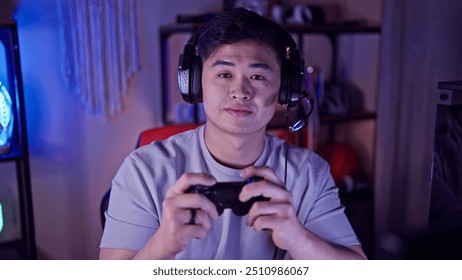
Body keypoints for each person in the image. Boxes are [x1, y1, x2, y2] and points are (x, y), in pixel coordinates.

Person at [99, 8, 366, 260]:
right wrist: (163, 245)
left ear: (286, 90)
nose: (240, 91)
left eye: (258, 77)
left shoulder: (309, 172)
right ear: (195, 83)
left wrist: (299, 239)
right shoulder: (144, 170)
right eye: (225, 73)